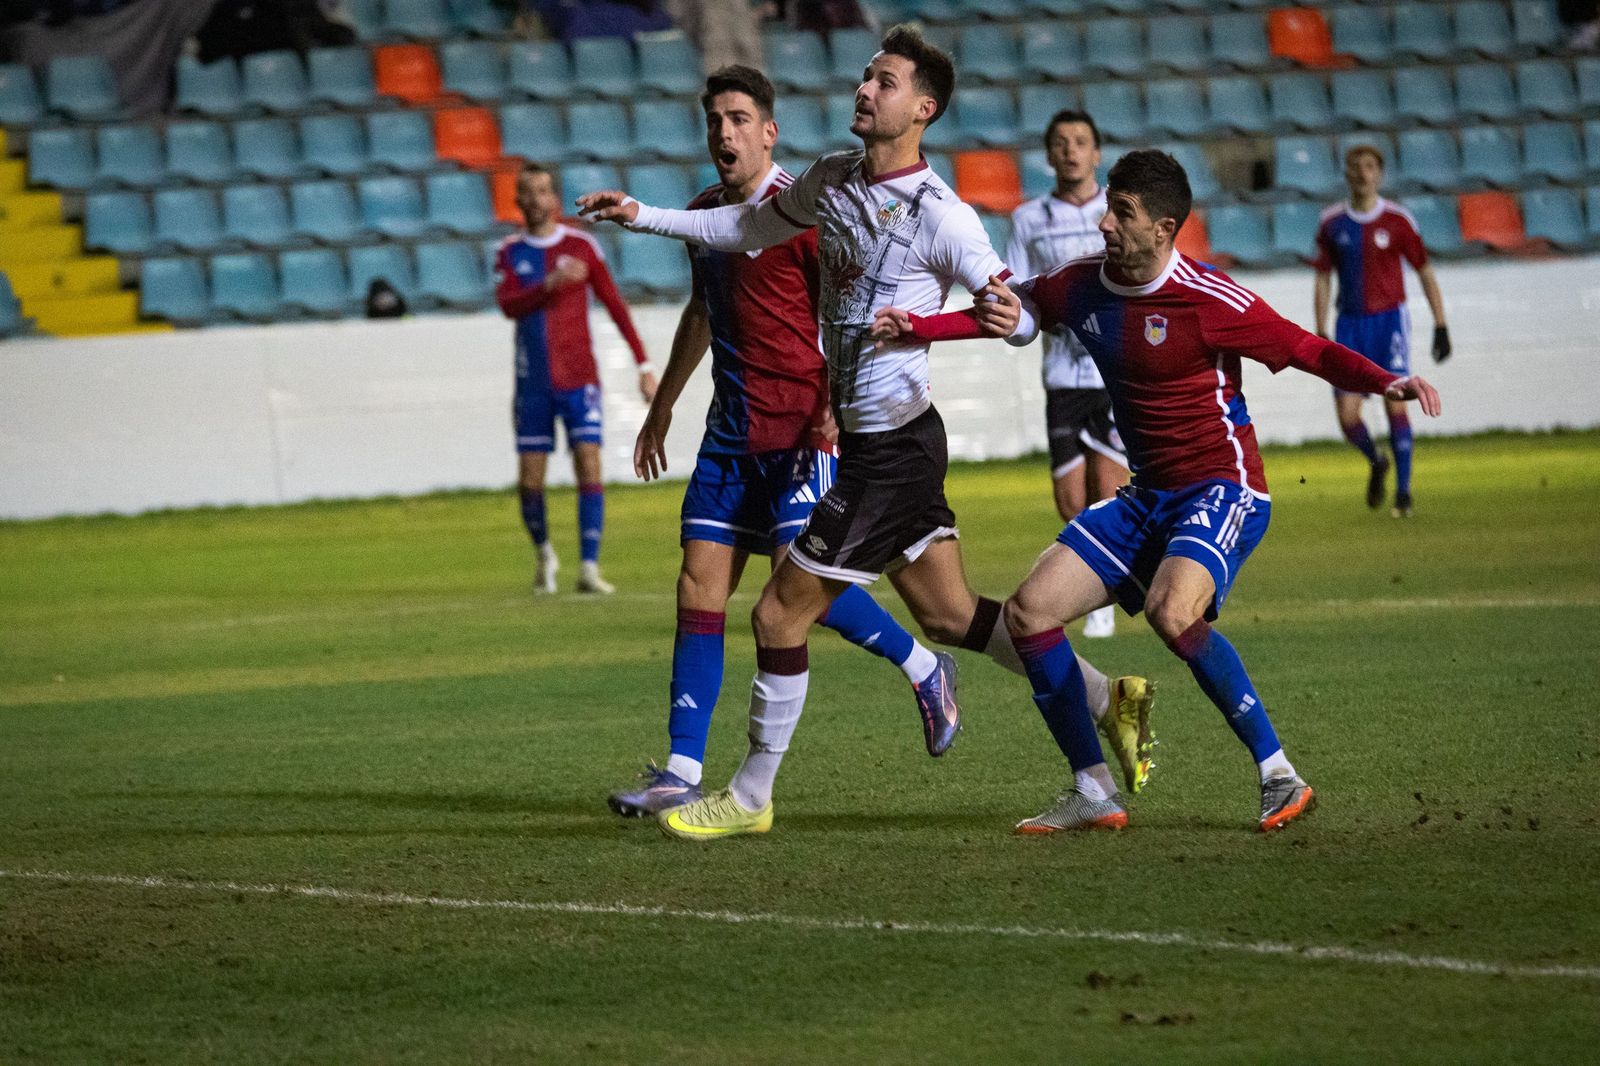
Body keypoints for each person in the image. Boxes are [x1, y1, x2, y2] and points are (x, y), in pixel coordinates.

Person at [580, 25, 1152, 840]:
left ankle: (748, 797)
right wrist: (643, 216)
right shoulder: (831, 181)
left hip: (886, 451)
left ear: (921, 109)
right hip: (895, 444)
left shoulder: (943, 215)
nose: (863, 89)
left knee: (778, 615)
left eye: (883, 82)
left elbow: (1018, 313)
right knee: (951, 618)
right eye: (864, 76)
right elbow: (744, 230)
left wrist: (1000, 319)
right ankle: (1106, 698)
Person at [877, 149, 1441, 833]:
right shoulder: (1082, 285)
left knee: (1174, 612)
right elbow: (1010, 306)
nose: (1105, 222)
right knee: (1029, 614)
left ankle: (1279, 775)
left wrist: (1388, 382)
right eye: (1107, 206)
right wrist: (922, 328)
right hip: (1148, 496)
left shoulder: (1212, 300)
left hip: (1225, 488)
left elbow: (1305, 348)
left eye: (1122, 212)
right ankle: (1092, 789)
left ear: (1164, 227)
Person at [608, 65, 954, 818]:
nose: (723, 134)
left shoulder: (809, 216)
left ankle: (924, 664)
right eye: (714, 121)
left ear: (769, 132)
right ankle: (679, 769)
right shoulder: (706, 219)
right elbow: (702, 312)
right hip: (730, 438)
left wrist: (837, 404)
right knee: (698, 589)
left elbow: (853, 310)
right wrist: (663, 406)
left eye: (738, 120)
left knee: (800, 597)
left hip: (803, 431)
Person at [494, 162, 658, 595]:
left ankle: (588, 566)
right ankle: (545, 553)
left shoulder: (583, 246)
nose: (535, 199)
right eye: (527, 191)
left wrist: (644, 366)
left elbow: (616, 306)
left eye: (544, 190)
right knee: (530, 479)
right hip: (532, 385)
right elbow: (508, 305)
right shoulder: (509, 252)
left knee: (589, 462)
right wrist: (549, 284)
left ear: (554, 197)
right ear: (517, 200)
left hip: (579, 380)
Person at [1006, 108, 1127, 639]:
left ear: (1097, 153)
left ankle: (1104, 595)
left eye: (1081, 141)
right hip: (1061, 375)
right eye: (1060, 142)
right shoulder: (1028, 219)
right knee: (1070, 500)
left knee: (1108, 486)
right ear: (1049, 154)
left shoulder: (1118, 212)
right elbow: (1014, 289)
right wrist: (1035, 318)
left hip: (1114, 374)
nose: (1071, 150)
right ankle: (1089, 582)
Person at [1313, 144, 1450, 518]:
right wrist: (1321, 327)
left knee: (1396, 403)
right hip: (1349, 325)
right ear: (1347, 174)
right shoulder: (1331, 223)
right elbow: (1323, 278)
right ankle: (1377, 461)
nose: (1362, 173)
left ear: (1380, 173)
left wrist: (1440, 323)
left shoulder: (1398, 220)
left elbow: (1424, 271)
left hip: (1389, 322)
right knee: (1347, 415)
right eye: (1355, 167)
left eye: (1369, 166)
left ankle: (1404, 494)